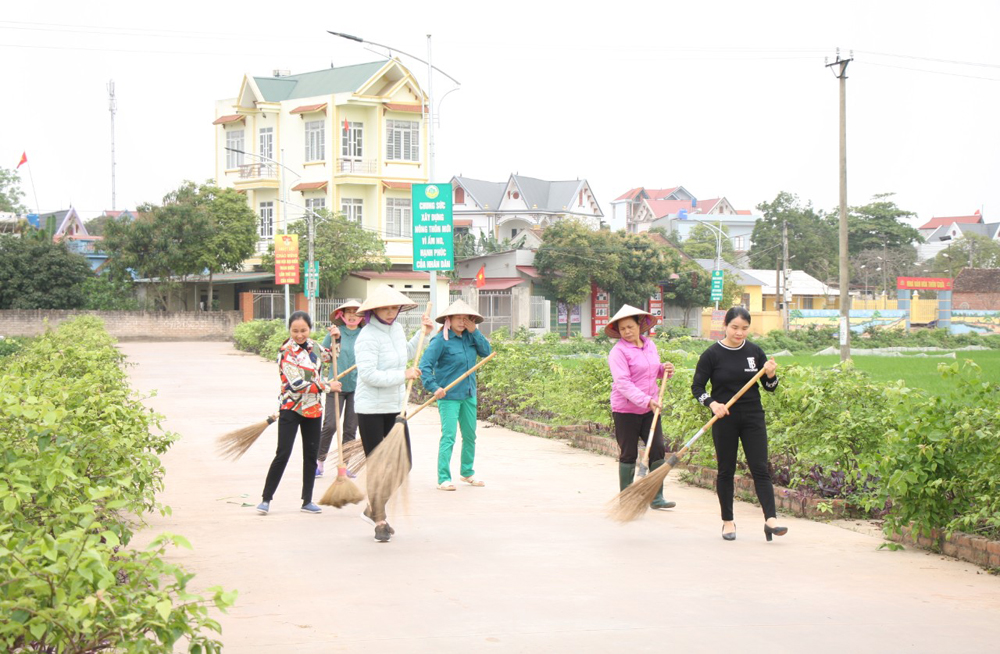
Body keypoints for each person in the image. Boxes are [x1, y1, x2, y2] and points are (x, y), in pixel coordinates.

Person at [691, 306, 783, 542]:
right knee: (726, 470)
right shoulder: (712, 354)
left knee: (760, 468)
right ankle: (728, 521)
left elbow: (769, 389)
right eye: (734, 327)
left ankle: (770, 519)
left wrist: (771, 376)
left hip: (753, 416)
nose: (739, 333)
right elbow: (697, 388)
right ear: (725, 326)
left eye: (744, 328)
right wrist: (713, 404)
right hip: (725, 419)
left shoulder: (755, 352)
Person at [354, 284, 435, 542]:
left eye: (393, 308)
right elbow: (368, 375)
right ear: (375, 310)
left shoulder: (397, 329)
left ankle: (372, 508)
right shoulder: (366, 336)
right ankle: (379, 519)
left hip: (395, 406)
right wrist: (403, 375)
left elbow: (407, 354)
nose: (390, 312)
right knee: (377, 466)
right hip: (370, 409)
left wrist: (424, 334)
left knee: (404, 463)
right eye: (385, 308)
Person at [257, 311, 339, 516]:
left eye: (303, 330)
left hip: (313, 409)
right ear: (290, 331)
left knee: (311, 455)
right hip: (290, 408)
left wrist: (336, 338)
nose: (300, 335)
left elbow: (331, 356)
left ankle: (307, 500)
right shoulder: (286, 352)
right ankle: (266, 499)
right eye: (295, 331)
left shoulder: (314, 347)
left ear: (309, 329)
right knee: (283, 452)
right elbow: (296, 384)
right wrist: (328, 386)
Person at [606, 304, 677, 510]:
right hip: (626, 410)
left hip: (650, 409)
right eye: (622, 329)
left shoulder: (650, 346)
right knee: (628, 453)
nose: (627, 332)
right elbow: (623, 383)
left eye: (630, 327)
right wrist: (646, 400)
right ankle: (626, 499)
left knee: (657, 450)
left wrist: (665, 370)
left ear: (640, 325)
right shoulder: (618, 352)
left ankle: (656, 497)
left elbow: (653, 371)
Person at [419, 299, 492, 491]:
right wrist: (434, 387)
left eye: (466, 318)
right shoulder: (440, 341)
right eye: (458, 318)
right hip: (448, 396)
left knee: (470, 435)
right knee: (449, 436)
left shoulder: (471, 338)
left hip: (468, 393)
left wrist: (475, 331)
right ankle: (443, 478)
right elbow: (424, 366)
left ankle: (467, 472)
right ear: (448, 320)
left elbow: (487, 352)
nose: (462, 321)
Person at [316, 300, 364, 477]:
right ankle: (319, 462)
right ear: (341, 315)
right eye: (348, 311)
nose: (352, 315)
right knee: (330, 425)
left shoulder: (365, 334)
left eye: (356, 312)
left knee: (350, 428)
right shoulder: (335, 333)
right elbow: (324, 357)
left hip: (357, 387)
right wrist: (334, 339)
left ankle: (345, 464)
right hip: (335, 386)